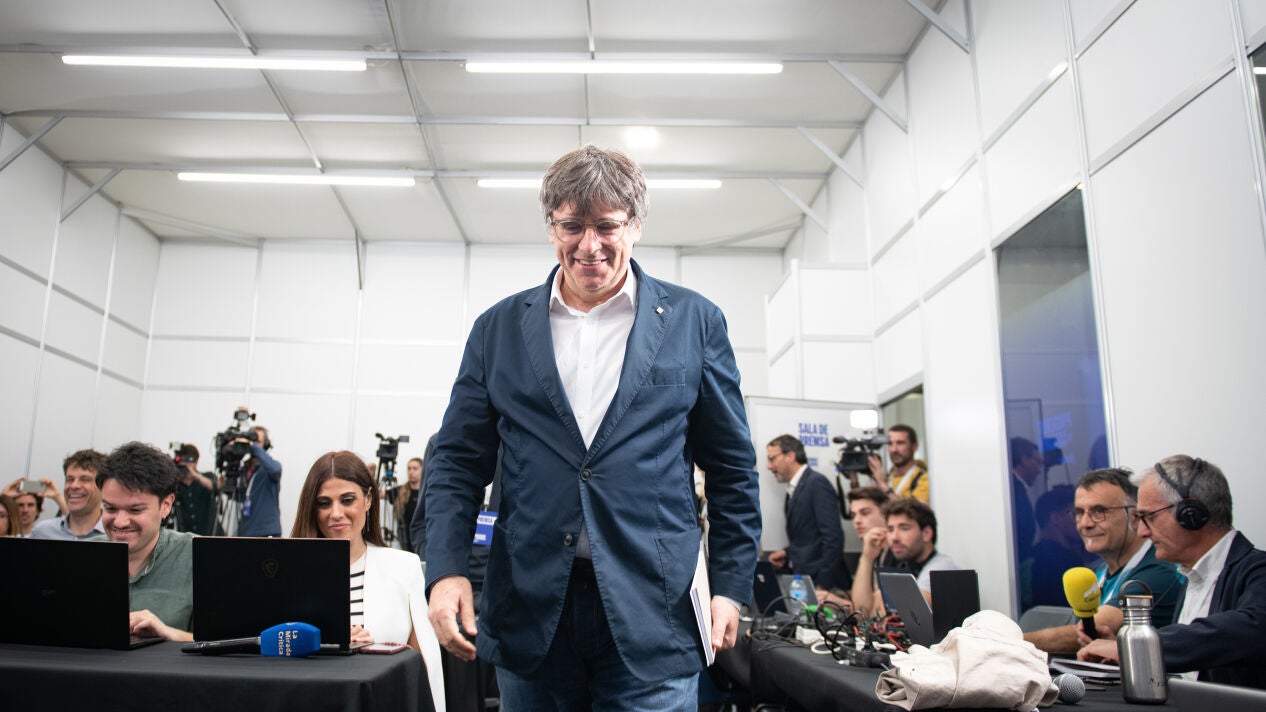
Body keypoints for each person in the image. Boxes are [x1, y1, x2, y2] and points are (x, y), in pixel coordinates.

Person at [424, 145, 761, 710]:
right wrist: (446, 570)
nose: (588, 245)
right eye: (571, 225)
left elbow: (731, 470)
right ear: (550, 226)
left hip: (654, 611)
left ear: (636, 225)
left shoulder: (694, 322)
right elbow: (456, 461)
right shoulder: (497, 329)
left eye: (606, 226)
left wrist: (730, 586)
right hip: (531, 609)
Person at [1078, 456, 1266, 689]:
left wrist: (1139, 648)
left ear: (1191, 514)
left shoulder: (1257, 570)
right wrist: (1128, 652)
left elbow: (1251, 629)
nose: (1143, 532)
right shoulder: (1191, 579)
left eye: (1149, 517)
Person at [291, 451, 445, 709]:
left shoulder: (404, 567)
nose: (336, 513)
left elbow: (424, 668)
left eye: (347, 500)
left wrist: (371, 653)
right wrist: (326, 644)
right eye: (324, 503)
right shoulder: (291, 573)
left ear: (368, 499)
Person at [1025, 468, 1184, 653]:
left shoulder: (1158, 572)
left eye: (1099, 511)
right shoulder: (1098, 572)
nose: (1085, 523)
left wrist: (1008, 641)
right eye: (1079, 512)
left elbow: (1089, 632)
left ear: (1134, 517)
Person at [98, 441, 194, 642]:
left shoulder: (198, 557)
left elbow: (229, 643)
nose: (120, 522)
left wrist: (169, 634)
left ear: (166, 505)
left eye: (135, 510)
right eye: (110, 508)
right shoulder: (78, 555)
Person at [766, 434, 848, 590]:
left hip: (823, 584)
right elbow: (809, 538)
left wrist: (823, 584)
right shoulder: (795, 488)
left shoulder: (816, 484)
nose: (769, 466)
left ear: (790, 456)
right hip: (805, 580)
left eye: (772, 459)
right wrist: (788, 553)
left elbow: (833, 537)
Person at [853, 497, 958, 613]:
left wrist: (878, 603)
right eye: (890, 529)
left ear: (926, 534)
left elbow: (912, 612)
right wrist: (867, 557)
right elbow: (861, 612)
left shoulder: (941, 568)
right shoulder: (903, 563)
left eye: (904, 528)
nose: (894, 537)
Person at [1021, 485, 1084, 608]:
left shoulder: (1031, 557)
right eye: (1075, 514)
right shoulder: (1063, 562)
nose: (1083, 521)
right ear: (1055, 518)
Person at [29, 450, 107, 540]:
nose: (74, 486)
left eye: (85, 479)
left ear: (103, 486)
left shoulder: (114, 535)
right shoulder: (42, 532)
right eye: (70, 479)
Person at [237, 426, 282, 537]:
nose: (254, 444)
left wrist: (254, 447)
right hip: (247, 531)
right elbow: (238, 495)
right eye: (252, 440)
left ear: (265, 445)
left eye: (258, 441)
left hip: (267, 531)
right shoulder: (244, 469)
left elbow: (275, 470)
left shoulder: (271, 467)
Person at [866, 424, 929, 502]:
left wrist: (882, 485)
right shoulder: (888, 477)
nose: (894, 449)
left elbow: (914, 509)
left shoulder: (924, 479)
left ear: (914, 446)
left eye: (900, 443)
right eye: (890, 444)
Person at [172, 444, 219, 535]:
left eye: (189, 460)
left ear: (196, 462)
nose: (185, 464)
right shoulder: (176, 484)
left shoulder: (207, 476)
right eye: (182, 460)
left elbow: (215, 487)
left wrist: (195, 475)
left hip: (212, 534)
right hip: (188, 537)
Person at [1009, 437, 1041, 562]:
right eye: (1037, 462)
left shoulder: (1014, 487)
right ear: (1024, 460)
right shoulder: (1013, 490)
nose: (1039, 470)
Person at [387, 457, 422, 552]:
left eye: (415, 468)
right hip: (405, 542)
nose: (411, 472)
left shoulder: (427, 492)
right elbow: (377, 494)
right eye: (409, 468)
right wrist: (371, 475)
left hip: (423, 540)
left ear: (423, 470)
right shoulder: (401, 491)